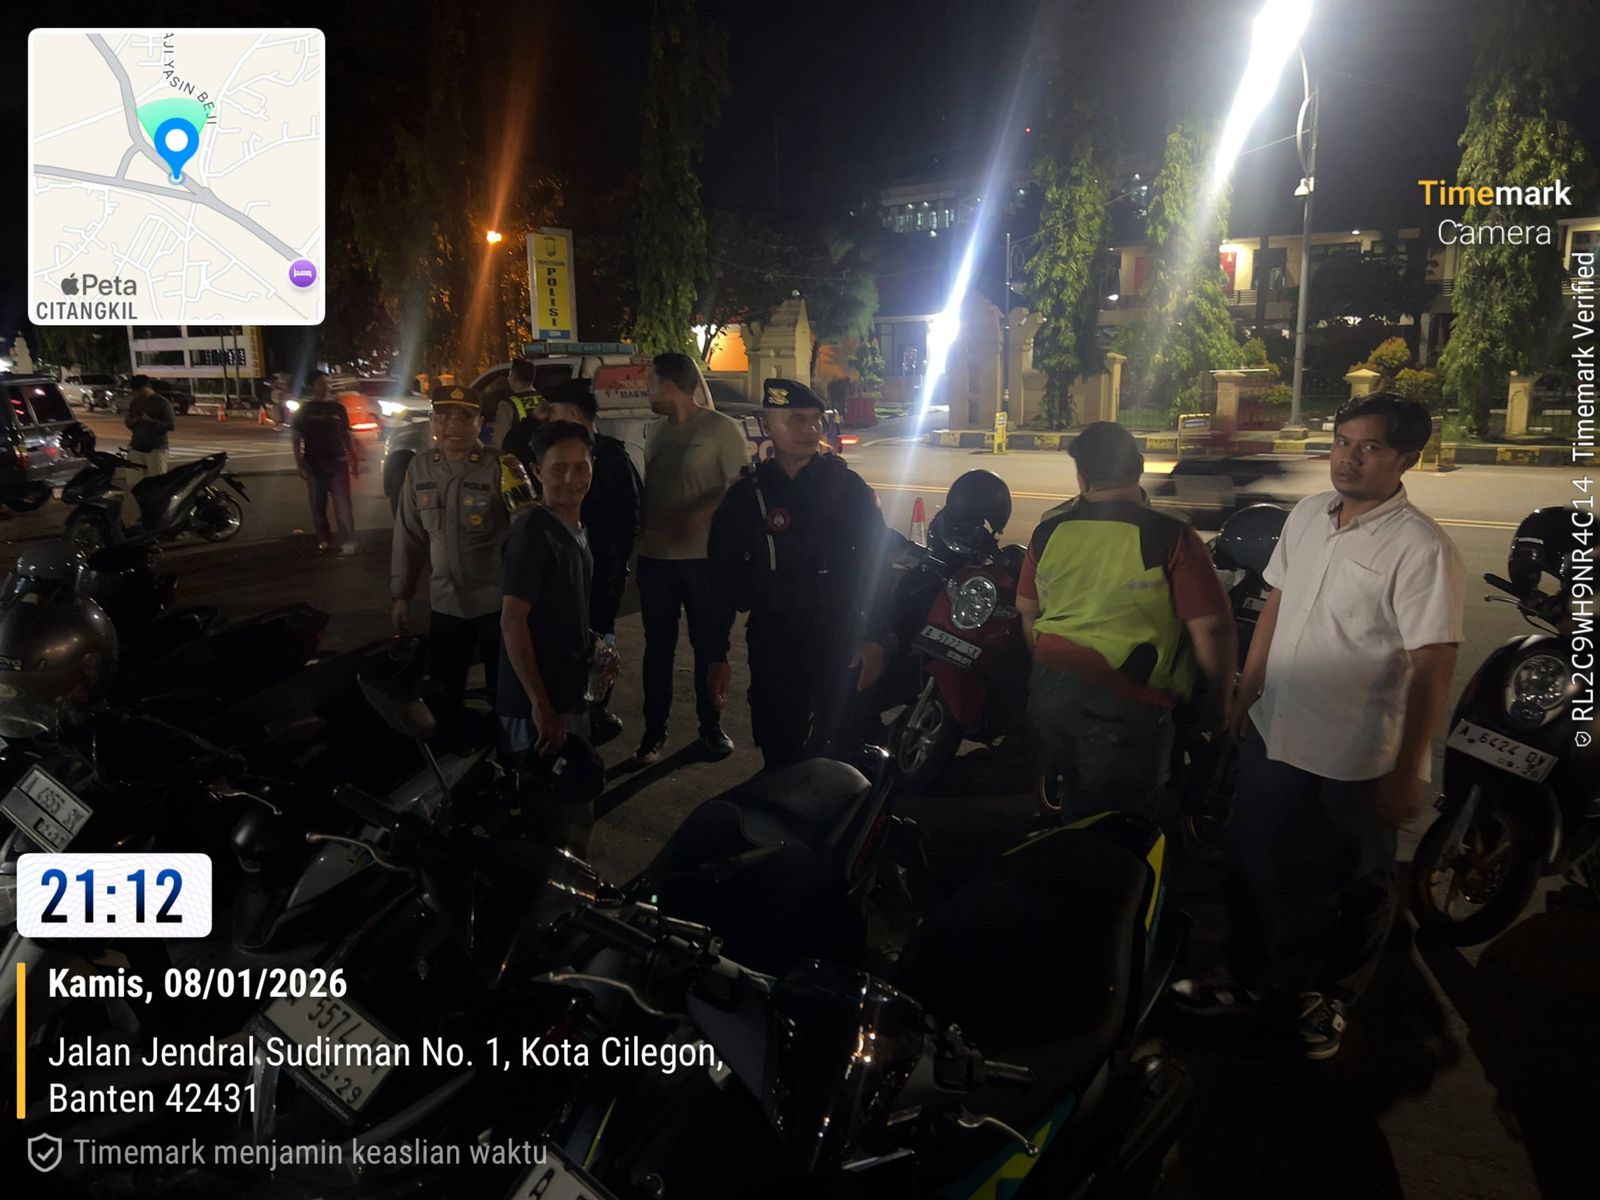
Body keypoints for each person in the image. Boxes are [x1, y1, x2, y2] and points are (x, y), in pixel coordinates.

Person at [1172, 393, 1465, 1061]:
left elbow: (1433, 666)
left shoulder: (1421, 548)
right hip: (1276, 732)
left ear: (1406, 459)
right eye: (1341, 441)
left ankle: (1335, 995)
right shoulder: (1307, 515)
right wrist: (1246, 691)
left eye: (1370, 447)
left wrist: (1406, 770)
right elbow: (1279, 600)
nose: (1348, 458)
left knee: (1360, 882)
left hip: (1358, 754)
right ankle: (1243, 975)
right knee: (1249, 859)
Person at [1016, 421, 1236, 822]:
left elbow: (1028, 612)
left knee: (1080, 793)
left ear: (1082, 478)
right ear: (1140, 466)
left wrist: (1052, 673)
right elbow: (1212, 629)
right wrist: (1218, 703)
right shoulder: (1170, 536)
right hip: (1124, 703)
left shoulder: (1048, 532)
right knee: (1117, 820)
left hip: (1048, 695)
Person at [706, 378, 890, 770]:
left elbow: (878, 563)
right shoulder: (748, 496)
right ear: (767, 425)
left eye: (815, 419)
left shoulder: (847, 488)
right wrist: (715, 654)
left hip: (838, 635)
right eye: (796, 419)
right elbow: (720, 579)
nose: (809, 429)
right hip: (774, 637)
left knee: (844, 750)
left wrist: (876, 636)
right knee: (779, 747)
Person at [633, 352, 749, 765]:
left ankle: (710, 727)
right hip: (655, 559)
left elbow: (740, 488)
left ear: (668, 386)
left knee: (709, 647)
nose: (646, 392)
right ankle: (653, 732)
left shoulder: (721, 429)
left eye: (650, 384)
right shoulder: (656, 432)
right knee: (657, 648)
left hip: (704, 560)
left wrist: (697, 514)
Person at [391, 383, 534, 705]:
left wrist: (528, 599)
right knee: (443, 696)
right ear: (432, 421)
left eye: (464, 417)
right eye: (444, 416)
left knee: (506, 697)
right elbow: (409, 535)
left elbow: (527, 538)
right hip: (446, 606)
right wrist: (401, 594)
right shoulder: (420, 467)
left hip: (496, 606)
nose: (453, 424)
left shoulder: (504, 466)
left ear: (479, 422)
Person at [499, 420, 603, 851]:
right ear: (537, 471)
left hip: (565, 696)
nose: (571, 478)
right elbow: (513, 620)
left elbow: (562, 609)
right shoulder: (533, 534)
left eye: (581, 467)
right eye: (559, 468)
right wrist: (540, 704)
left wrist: (594, 646)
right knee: (549, 821)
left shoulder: (574, 529)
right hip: (536, 707)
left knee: (574, 806)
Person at [544, 378, 642, 743]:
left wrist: (617, 567)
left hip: (600, 570)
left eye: (554, 412)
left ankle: (597, 709)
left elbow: (629, 517)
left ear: (572, 413)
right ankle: (566, 707)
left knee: (600, 642)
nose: (549, 419)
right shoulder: (553, 453)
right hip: (562, 569)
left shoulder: (611, 456)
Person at [290, 370, 361, 555]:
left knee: (343, 505)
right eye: (321, 383)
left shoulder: (337, 408)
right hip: (314, 464)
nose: (325, 386)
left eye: (327, 383)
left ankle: (348, 540)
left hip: (338, 462)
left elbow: (346, 434)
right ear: (313, 386)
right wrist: (298, 463)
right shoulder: (305, 409)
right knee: (318, 504)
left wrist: (353, 457)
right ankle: (325, 540)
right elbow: (296, 437)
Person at [123, 375, 175, 481]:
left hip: (155, 449)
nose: (137, 393)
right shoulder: (135, 402)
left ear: (147, 387)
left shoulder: (162, 403)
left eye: (140, 391)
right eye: (135, 391)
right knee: (133, 481)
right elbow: (129, 423)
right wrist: (130, 421)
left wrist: (148, 420)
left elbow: (170, 425)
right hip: (136, 447)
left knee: (157, 482)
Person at [489, 357, 546, 452]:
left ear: (514, 379)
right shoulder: (545, 400)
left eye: (509, 375)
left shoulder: (506, 405)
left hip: (519, 457)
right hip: (544, 455)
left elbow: (500, 441)